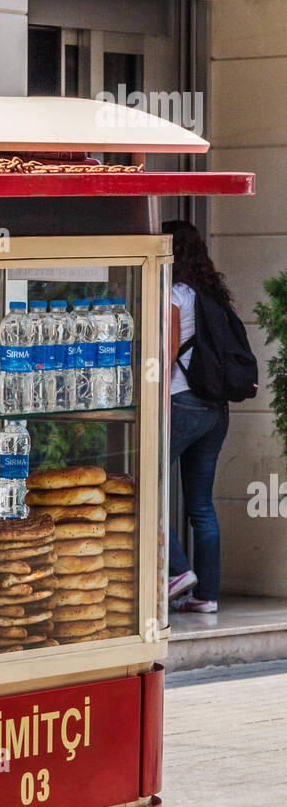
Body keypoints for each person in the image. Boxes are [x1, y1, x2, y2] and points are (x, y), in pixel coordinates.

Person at [162, 219, 233, 614]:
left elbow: (169, 348)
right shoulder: (212, 294)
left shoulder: (175, 293)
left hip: (182, 402)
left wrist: (153, 397)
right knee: (201, 505)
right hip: (215, 410)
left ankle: (178, 571)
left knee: (145, 487)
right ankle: (206, 595)